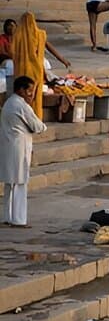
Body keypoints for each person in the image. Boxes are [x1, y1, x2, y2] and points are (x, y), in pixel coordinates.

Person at [0, 76, 47, 227]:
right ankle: (19, 220)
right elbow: (38, 126)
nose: (31, 95)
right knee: (19, 183)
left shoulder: (9, 103)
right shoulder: (21, 105)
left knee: (10, 184)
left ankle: (7, 217)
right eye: (29, 91)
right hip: (18, 148)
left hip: (9, 146)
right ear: (21, 90)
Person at [11, 12, 70, 118]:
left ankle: (21, 116)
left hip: (20, 70)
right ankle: (35, 116)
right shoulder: (40, 34)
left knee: (22, 94)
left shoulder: (17, 35)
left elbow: (13, 52)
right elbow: (49, 47)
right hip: (36, 70)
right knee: (34, 95)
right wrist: (62, 59)